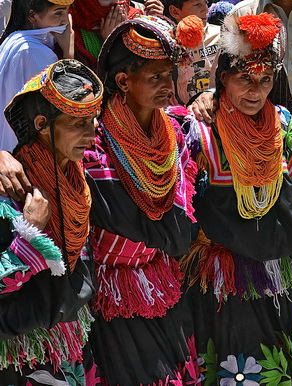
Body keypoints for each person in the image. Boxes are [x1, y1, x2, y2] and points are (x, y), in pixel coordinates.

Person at [181, 12, 292, 383]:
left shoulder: (285, 126)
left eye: (265, 79)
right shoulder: (200, 133)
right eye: (244, 79)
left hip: (276, 271)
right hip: (222, 279)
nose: (256, 91)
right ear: (223, 79)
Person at [83, 15, 201, 384]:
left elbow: (178, 227)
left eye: (170, 74)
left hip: (162, 285)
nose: (169, 85)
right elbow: (117, 215)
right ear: (123, 81)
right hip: (112, 296)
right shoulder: (93, 144)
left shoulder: (176, 132)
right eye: (155, 77)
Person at [0, 59, 98, 383]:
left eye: (93, 122)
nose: (91, 135)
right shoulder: (9, 193)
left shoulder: (75, 179)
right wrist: (29, 236)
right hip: (21, 355)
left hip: (66, 344)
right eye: (78, 123)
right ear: (43, 123)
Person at [0, 0, 74, 151]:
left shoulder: (14, 41)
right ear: (32, 16)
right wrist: (69, 55)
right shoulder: (36, 53)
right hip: (28, 155)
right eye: (58, 12)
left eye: (67, 11)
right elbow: (67, 105)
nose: (65, 20)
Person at [163, 0, 221, 105]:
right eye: (197, 4)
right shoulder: (166, 43)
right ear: (175, 12)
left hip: (217, 107)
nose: (206, 10)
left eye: (206, 3)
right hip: (182, 112)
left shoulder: (221, 36)